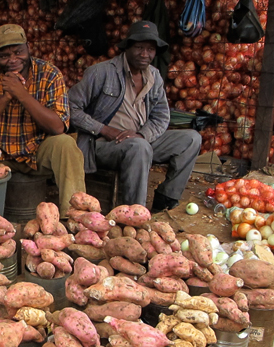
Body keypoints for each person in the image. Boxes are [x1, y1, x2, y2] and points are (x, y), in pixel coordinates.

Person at [0, 23, 86, 214]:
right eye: (4, 56)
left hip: (37, 151)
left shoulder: (49, 73)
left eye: (18, 52)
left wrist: (22, 95)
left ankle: (74, 217)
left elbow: (58, 127)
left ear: (28, 48)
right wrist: (6, 97)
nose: (13, 60)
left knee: (66, 145)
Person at [69, 20, 201, 212]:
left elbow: (161, 116)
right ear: (127, 47)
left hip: (139, 141)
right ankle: (133, 213)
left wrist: (142, 135)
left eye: (150, 49)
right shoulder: (101, 72)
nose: (144, 54)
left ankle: (165, 199)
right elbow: (71, 108)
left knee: (192, 139)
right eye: (139, 47)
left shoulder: (154, 76)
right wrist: (105, 130)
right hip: (103, 144)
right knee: (138, 147)